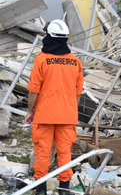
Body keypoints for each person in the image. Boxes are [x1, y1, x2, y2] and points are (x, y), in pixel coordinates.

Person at [24, 19, 84, 195]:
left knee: (42, 153)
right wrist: (71, 110)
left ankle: (41, 189)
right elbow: (78, 93)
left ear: (50, 37)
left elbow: (34, 90)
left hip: (44, 115)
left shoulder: (41, 60)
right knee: (65, 153)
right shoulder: (75, 62)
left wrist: (30, 111)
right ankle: (64, 189)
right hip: (67, 116)